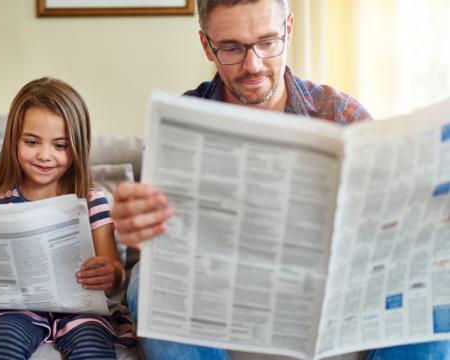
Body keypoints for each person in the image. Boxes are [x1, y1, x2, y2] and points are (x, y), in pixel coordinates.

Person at [111, 0, 450, 359]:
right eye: (231, 48)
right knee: (148, 278)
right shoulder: (178, 124)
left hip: (329, 290)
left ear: (288, 29)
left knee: (437, 277)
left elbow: (397, 215)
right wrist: (137, 226)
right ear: (206, 45)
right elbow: (158, 244)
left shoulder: (339, 113)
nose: (253, 65)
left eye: (268, 42)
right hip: (226, 290)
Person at [0, 77, 135, 360]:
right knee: (0, 346)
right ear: (14, 141)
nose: (45, 155)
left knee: (93, 349)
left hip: (82, 308)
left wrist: (110, 272)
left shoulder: (92, 200)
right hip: (18, 308)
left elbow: (115, 272)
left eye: (60, 145)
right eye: (32, 142)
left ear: (78, 146)